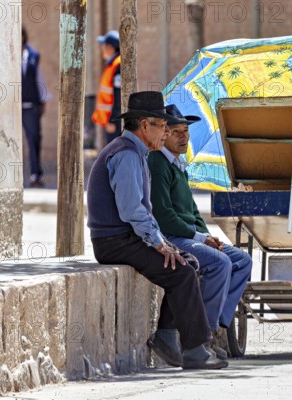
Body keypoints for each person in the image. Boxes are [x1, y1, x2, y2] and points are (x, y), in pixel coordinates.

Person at [87, 91, 228, 370]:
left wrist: (162, 242)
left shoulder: (136, 152)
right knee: (183, 271)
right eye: (162, 126)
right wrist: (159, 243)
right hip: (114, 240)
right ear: (144, 126)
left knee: (188, 263)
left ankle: (168, 336)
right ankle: (194, 350)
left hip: (126, 237)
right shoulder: (125, 155)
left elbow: (143, 210)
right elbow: (132, 211)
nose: (165, 133)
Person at [148, 104, 253, 358]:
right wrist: (199, 238)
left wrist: (207, 236)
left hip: (188, 235)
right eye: (176, 132)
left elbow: (192, 211)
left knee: (242, 260)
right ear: (163, 135)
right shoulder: (157, 163)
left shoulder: (178, 164)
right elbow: (164, 217)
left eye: (186, 131)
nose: (184, 137)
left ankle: (216, 328)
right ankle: (199, 336)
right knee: (219, 263)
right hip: (171, 238)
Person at [21, 26, 50, 188]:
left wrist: (43, 99)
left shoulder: (32, 56)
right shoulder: (5, 53)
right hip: (11, 107)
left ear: (24, 37)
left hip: (30, 106)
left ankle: (35, 175)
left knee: (34, 140)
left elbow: (39, 79)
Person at [92, 30, 122, 144]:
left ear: (110, 47)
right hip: (113, 120)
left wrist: (112, 121)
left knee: (114, 153)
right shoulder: (113, 63)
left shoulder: (117, 65)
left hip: (115, 122)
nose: (102, 49)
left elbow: (118, 95)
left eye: (104, 46)